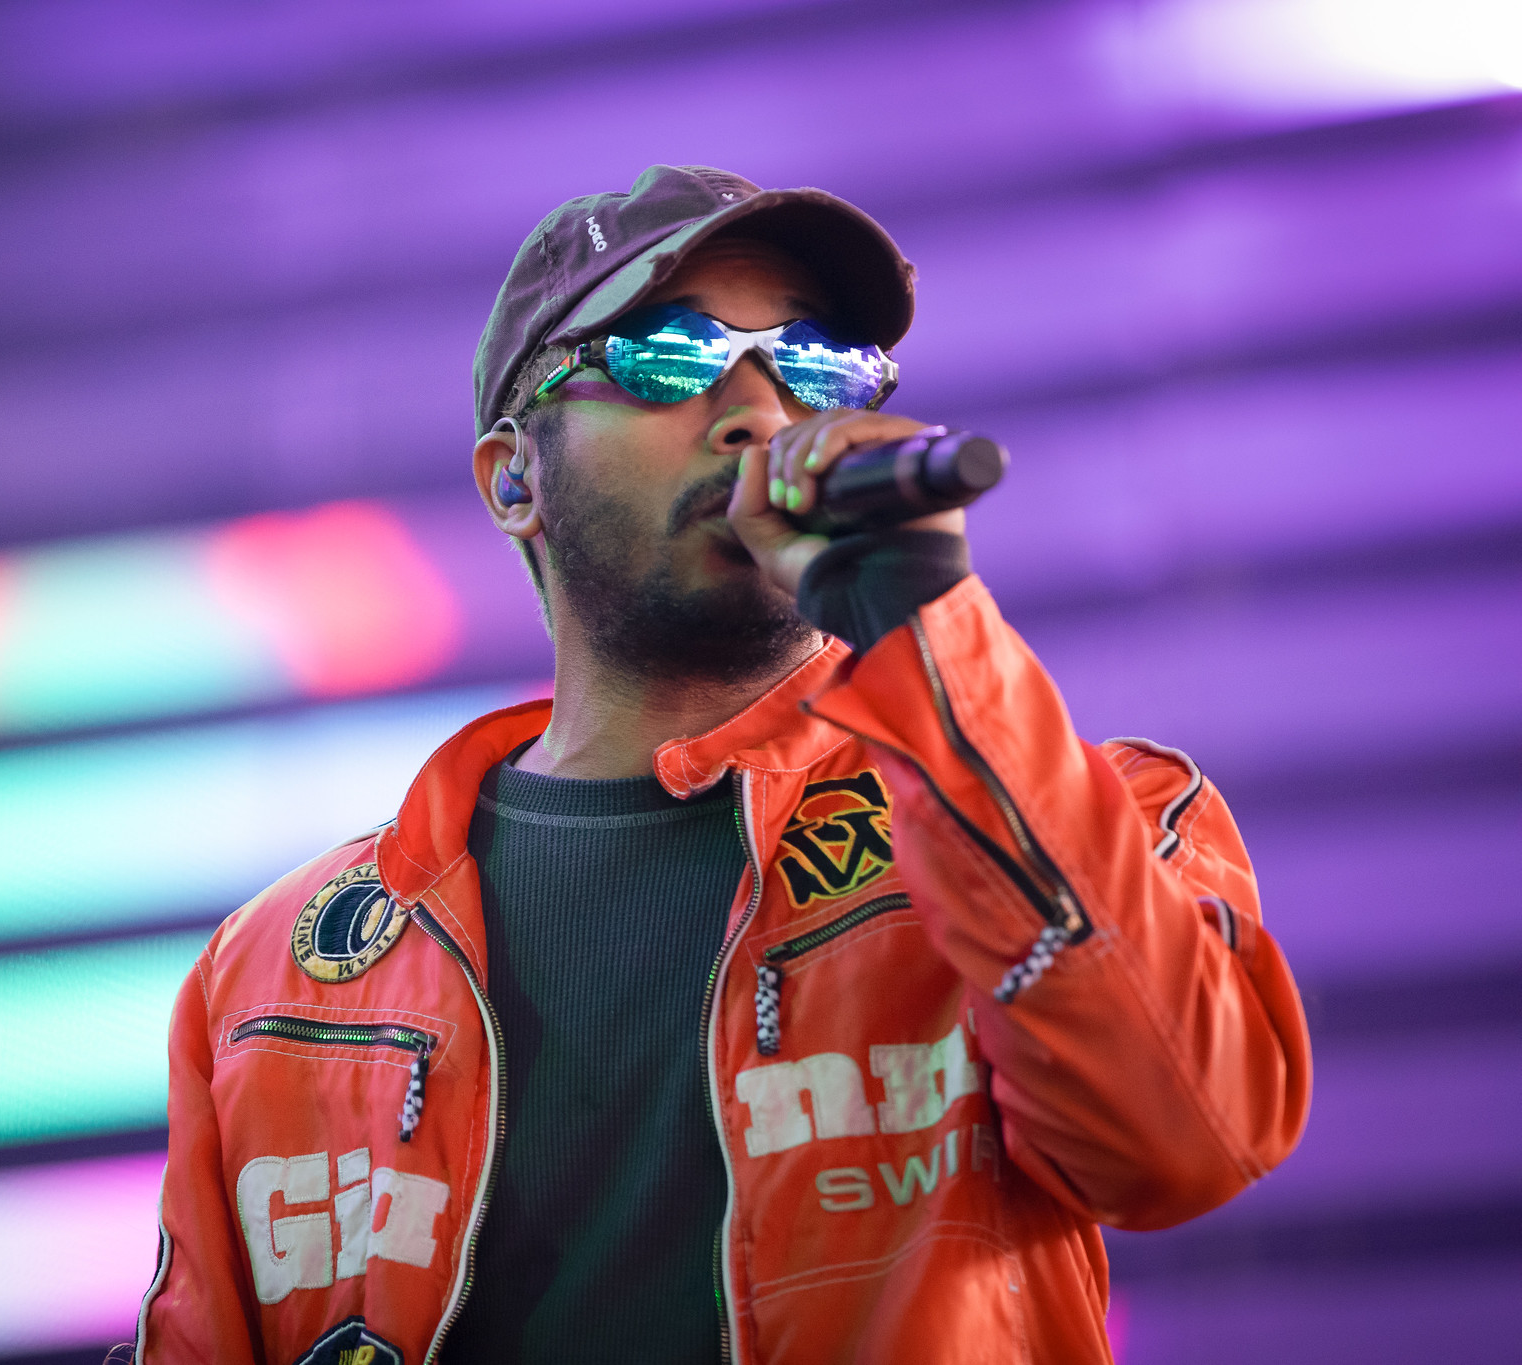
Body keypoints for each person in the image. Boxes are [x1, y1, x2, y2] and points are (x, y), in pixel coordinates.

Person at [135, 164, 1311, 1364]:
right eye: (666, 355)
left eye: (814, 364)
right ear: (512, 476)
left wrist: (921, 628)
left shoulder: (1092, 819)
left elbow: (1185, 1144)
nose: (757, 410)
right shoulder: (272, 972)